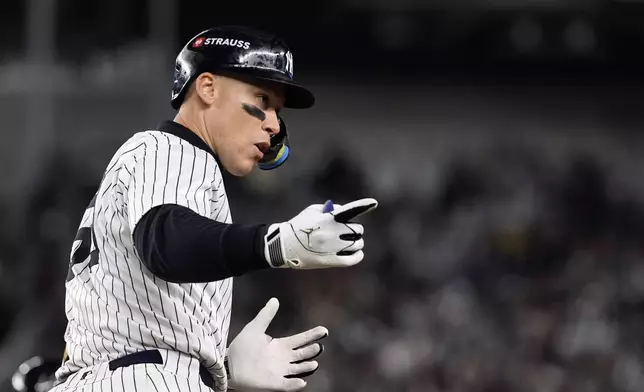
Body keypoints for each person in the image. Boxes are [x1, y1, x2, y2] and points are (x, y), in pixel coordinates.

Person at [49, 25, 378, 392]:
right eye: (263, 100)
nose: (274, 125)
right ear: (207, 88)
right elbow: (165, 241)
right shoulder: (170, 148)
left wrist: (219, 369)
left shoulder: (167, 165)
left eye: (278, 111)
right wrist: (274, 243)